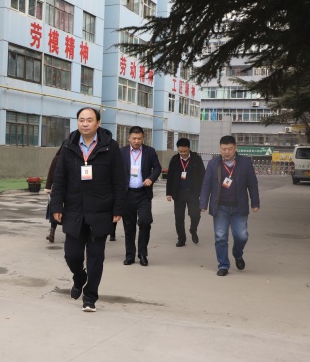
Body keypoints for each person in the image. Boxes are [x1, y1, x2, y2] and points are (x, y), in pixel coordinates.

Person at [50, 107, 125, 312]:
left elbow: (119, 180)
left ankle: (90, 297)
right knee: (71, 255)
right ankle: (79, 277)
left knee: (95, 258)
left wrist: (118, 208)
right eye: (81, 120)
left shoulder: (110, 147)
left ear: (98, 123)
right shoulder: (69, 145)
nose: (85, 123)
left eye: (89, 120)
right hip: (74, 210)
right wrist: (56, 205)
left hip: (100, 211)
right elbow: (59, 178)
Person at [200, 135, 260, 276]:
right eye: (223, 149)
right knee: (220, 236)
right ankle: (223, 265)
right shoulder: (213, 164)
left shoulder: (245, 163)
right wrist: (203, 203)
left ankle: (237, 254)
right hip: (220, 207)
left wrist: (255, 202)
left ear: (235, 148)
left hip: (239, 207)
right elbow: (206, 185)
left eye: (230, 149)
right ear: (220, 149)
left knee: (242, 236)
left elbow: (252, 184)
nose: (226, 152)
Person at [119, 126, 162, 266]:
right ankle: (130, 255)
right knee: (129, 226)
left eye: (139, 138)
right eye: (134, 138)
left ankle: (142, 254)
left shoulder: (150, 151)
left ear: (143, 138)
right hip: (127, 194)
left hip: (143, 193)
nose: (137, 141)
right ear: (129, 138)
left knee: (145, 221)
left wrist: (151, 178)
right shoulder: (122, 152)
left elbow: (157, 168)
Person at [166, 138, 206, 247]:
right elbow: (170, 177)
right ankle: (181, 238)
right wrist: (168, 193)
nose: (183, 154)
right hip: (178, 193)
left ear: (189, 148)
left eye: (185, 151)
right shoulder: (174, 159)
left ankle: (193, 230)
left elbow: (202, 176)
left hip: (193, 193)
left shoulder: (196, 159)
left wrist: (203, 193)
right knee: (179, 217)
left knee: (195, 215)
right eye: (180, 151)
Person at [43, 145, 63, 243]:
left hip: (68, 190)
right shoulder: (57, 158)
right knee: (54, 210)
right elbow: (51, 173)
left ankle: (53, 232)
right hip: (57, 189)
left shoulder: (71, 158)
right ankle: (52, 233)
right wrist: (48, 187)